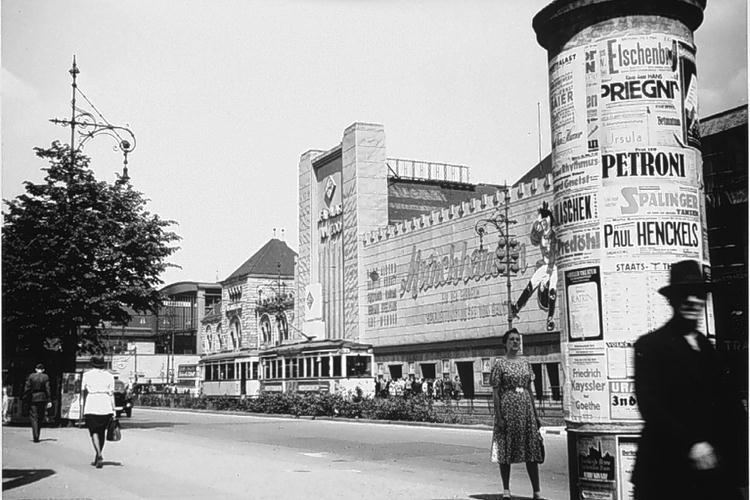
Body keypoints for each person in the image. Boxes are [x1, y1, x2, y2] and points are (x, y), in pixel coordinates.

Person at [633, 260, 746, 500]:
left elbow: (730, 406)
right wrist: (691, 444)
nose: (693, 300)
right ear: (672, 300)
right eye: (685, 294)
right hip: (665, 472)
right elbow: (651, 406)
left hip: (711, 473)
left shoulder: (708, 349)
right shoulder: (651, 346)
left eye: (698, 294)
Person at [491, 328, 544, 500]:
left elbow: (530, 389)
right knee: (506, 450)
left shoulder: (525, 363)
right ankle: (506, 490)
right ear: (505, 343)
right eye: (512, 339)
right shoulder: (500, 364)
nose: (515, 342)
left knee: (532, 450)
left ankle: (536, 491)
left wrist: (535, 415)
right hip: (507, 408)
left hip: (526, 408)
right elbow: (496, 391)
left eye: (517, 340)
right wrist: (499, 417)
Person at [82, 355, 116, 469]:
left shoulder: (87, 375)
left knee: (93, 431)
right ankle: (98, 455)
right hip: (105, 404)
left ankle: (99, 454)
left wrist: (82, 407)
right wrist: (113, 409)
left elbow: (83, 391)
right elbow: (111, 394)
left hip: (92, 403)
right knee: (102, 431)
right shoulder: (109, 376)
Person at [23, 363, 52, 443]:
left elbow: (27, 388)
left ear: (36, 369)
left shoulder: (31, 376)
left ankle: (35, 435)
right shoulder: (45, 377)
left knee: (34, 416)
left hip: (33, 398)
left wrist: (25, 397)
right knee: (40, 416)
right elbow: (48, 388)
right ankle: (38, 433)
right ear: (43, 370)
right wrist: (49, 399)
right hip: (42, 398)